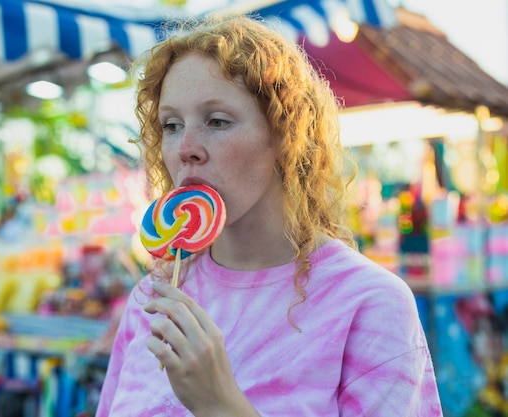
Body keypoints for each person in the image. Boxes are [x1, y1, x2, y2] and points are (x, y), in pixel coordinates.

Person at [97, 14, 443, 417]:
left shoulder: (369, 303)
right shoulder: (153, 298)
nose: (185, 147)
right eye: (171, 125)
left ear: (284, 135)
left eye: (217, 121)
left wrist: (220, 405)